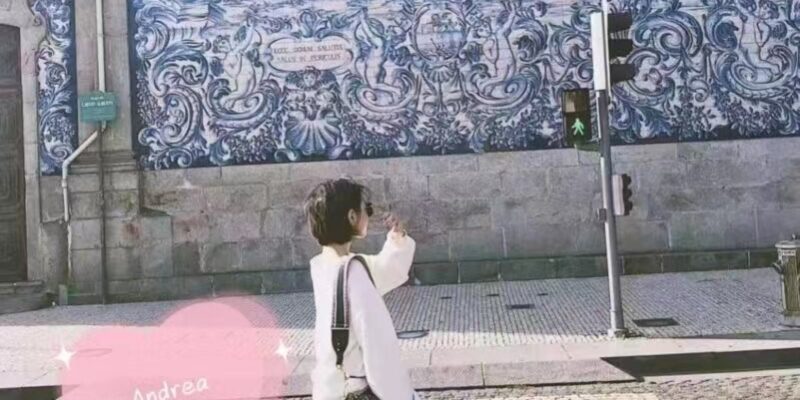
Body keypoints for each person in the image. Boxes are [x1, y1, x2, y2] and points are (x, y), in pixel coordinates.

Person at [304, 178, 419, 400]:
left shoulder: (323, 266)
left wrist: (397, 239)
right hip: (355, 390)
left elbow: (382, 271)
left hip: (331, 388)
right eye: (367, 209)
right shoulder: (352, 273)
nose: (369, 214)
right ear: (351, 217)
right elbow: (378, 349)